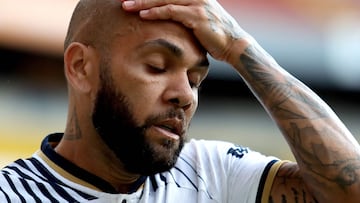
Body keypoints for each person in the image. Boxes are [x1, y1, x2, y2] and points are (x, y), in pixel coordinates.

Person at [1, 0, 359, 202]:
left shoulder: (215, 173)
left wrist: (240, 48)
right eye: (157, 67)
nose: (185, 95)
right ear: (81, 67)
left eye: (195, 79)